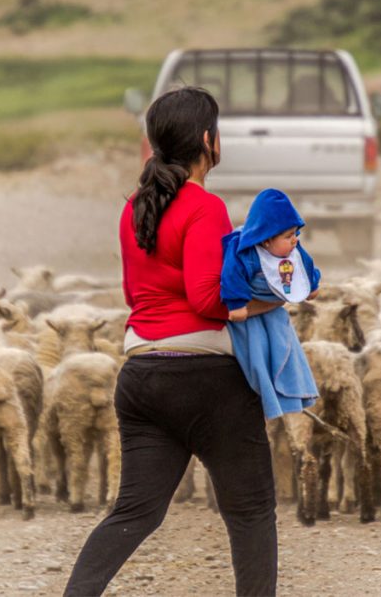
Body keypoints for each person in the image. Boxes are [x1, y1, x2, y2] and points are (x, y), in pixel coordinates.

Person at [63, 87, 279, 597]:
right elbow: (208, 300)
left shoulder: (135, 207)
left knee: (135, 512)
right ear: (208, 140)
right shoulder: (204, 207)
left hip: (142, 376)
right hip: (206, 380)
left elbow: (134, 292)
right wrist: (273, 300)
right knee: (251, 511)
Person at [221, 188, 321, 420]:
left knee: (285, 349)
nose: (294, 240)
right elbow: (231, 275)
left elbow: (306, 268)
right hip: (248, 316)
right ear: (265, 239)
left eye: (296, 233)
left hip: (275, 314)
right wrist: (236, 303)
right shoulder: (244, 251)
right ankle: (263, 394)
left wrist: (311, 285)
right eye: (288, 236)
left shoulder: (294, 251)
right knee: (257, 355)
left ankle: (289, 394)